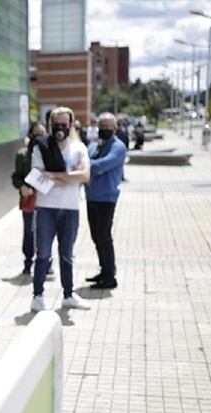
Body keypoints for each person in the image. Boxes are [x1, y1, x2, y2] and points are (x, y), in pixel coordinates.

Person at [30, 107, 91, 312]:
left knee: (67, 254)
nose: (61, 128)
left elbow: (84, 175)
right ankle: (37, 297)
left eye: (65, 124)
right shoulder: (41, 147)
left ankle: (68, 295)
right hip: (46, 208)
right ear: (51, 125)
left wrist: (54, 176)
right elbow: (37, 178)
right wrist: (68, 177)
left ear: (71, 125)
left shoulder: (79, 147)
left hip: (70, 208)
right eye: (57, 124)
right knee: (43, 255)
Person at [85, 113, 126, 290]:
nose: (105, 129)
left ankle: (110, 277)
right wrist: (92, 168)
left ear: (115, 128)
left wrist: (89, 168)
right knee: (96, 237)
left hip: (106, 199)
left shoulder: (118, 147)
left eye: (109, 126)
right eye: (102, 126)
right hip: (91, 197)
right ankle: (104, 270)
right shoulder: (93, 146)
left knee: (103, 236)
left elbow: (103, 164)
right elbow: (85, 162)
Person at [12, 122, 46, 275]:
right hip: (29, 199)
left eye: (42, 133)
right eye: (36, 133)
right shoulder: (23, 154)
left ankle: (46, 260)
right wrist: (22, 186)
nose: (39, 137)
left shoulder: (50, 154)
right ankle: (28, 261)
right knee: (29, 231)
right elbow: (16, 176)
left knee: (45, 231)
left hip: (46, 199)